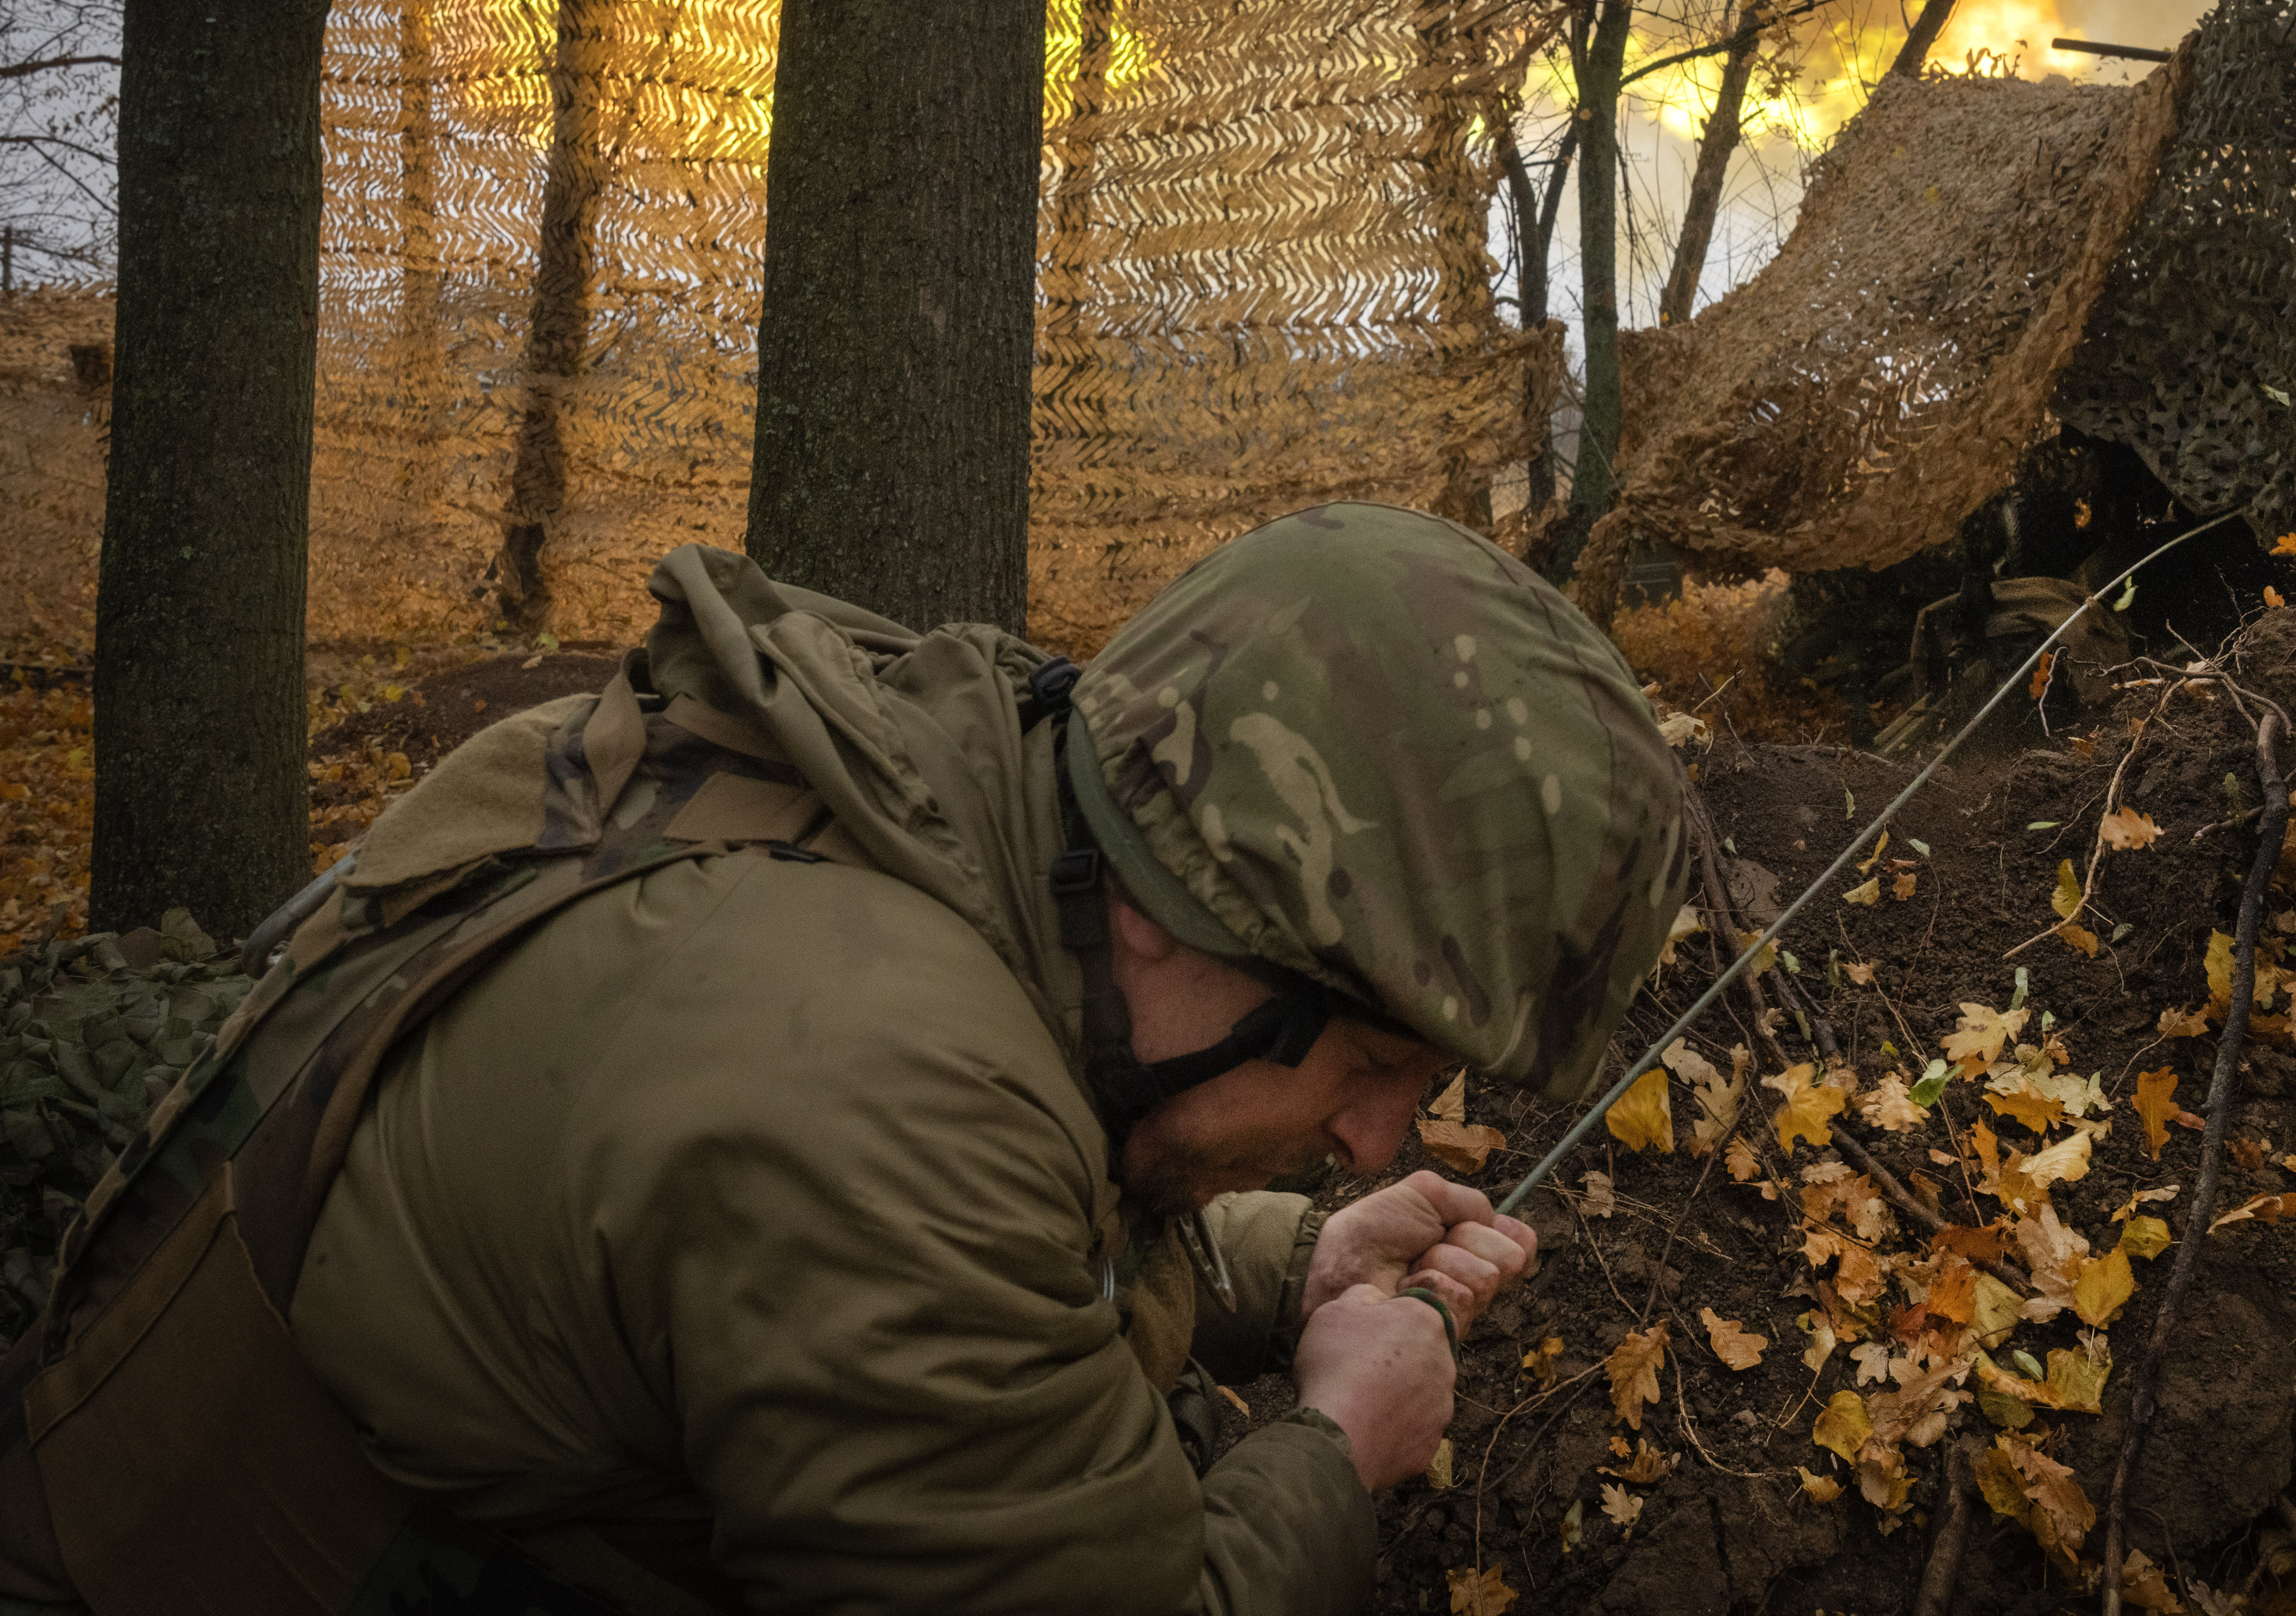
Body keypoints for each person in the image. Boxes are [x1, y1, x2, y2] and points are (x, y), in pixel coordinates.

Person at [0, 502, 1692, 1616]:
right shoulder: (877, 1100)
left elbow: (987, 1225)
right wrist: (1333, 1446)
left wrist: (1286, 1265)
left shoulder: (900, 786)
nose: (1377, 1134)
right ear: (1185, 914)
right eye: (1375, 1060)